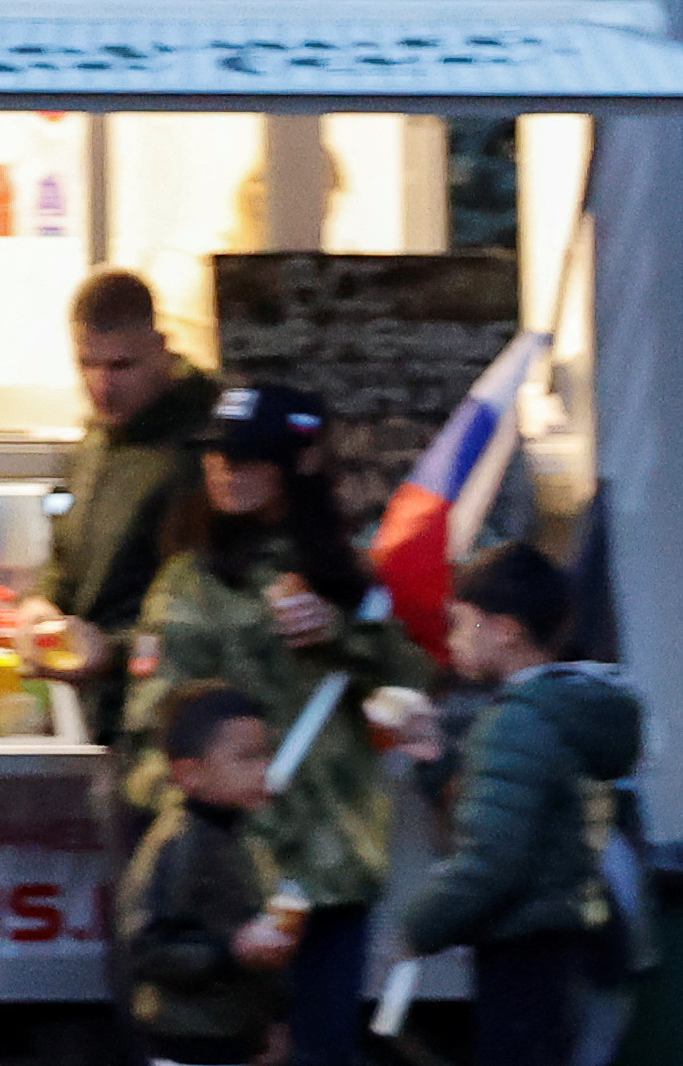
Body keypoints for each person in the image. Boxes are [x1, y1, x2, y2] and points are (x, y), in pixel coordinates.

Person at [121, 386, 431, 1066]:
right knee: (226, 1047)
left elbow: (409, 685)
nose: (227, 471)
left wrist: (342, 631)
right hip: (229, 876)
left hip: (328, 860)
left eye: (250, 458)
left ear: (295, 465)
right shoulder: (188, 580)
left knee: (322, 1050)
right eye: (217, 458)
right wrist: (187, 819)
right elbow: (151, 725)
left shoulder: (345, 572)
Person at [397, 542, 643, 1066]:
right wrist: (438, 760)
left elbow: (492, 859)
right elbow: (518, 807)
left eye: (462, 624)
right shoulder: (568, 710)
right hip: (582, 947)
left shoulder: (515, 722)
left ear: (506, 629)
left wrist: (418, 926)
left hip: (525, 961)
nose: (452, 641)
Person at [17, 270, 221, 747]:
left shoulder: (209, 453)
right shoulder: (94, 447)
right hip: (101, 720)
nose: (102, 385)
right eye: (87, 365)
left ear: (162, 349)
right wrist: (43, 604)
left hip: (178, 729)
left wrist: (111, 651)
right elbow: (69, 558)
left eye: (122, 366)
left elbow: (217, 611)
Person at [119, 679, 299, 1066]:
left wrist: (276, 1018)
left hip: (238, 1037)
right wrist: (230, 952)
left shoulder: (245, 835)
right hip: (185, 1044)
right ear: (190, 774)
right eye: (246, 758)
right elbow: (146, 947)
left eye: (266, 754)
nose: (265, 769)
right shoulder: (176, 843)